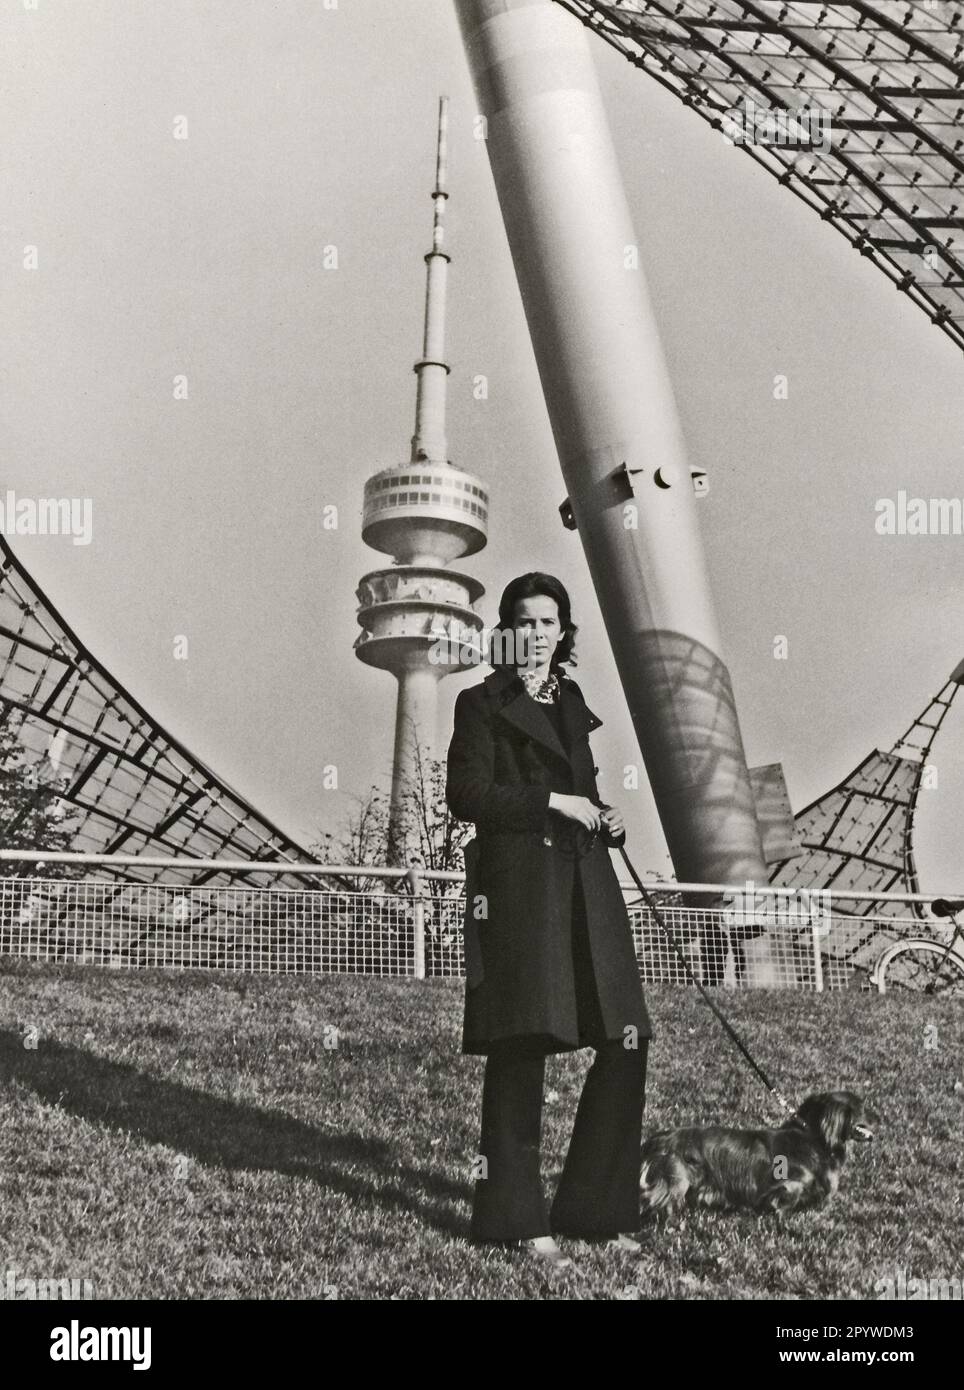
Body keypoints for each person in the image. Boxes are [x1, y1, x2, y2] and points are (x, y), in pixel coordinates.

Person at [446, 572, 653, 1270]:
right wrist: (554, 802)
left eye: (549, 622)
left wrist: (603, 813)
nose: (538, 633)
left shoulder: (572, 700)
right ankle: (513, 1219)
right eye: (525, 621)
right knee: (521, 1046)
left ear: (565, 631)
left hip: (587, 884)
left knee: (627, 1036)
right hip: (522, 892)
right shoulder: (479, 703)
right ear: (505, 630)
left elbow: (583, 789)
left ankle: (593, 1208)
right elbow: (466, 795)